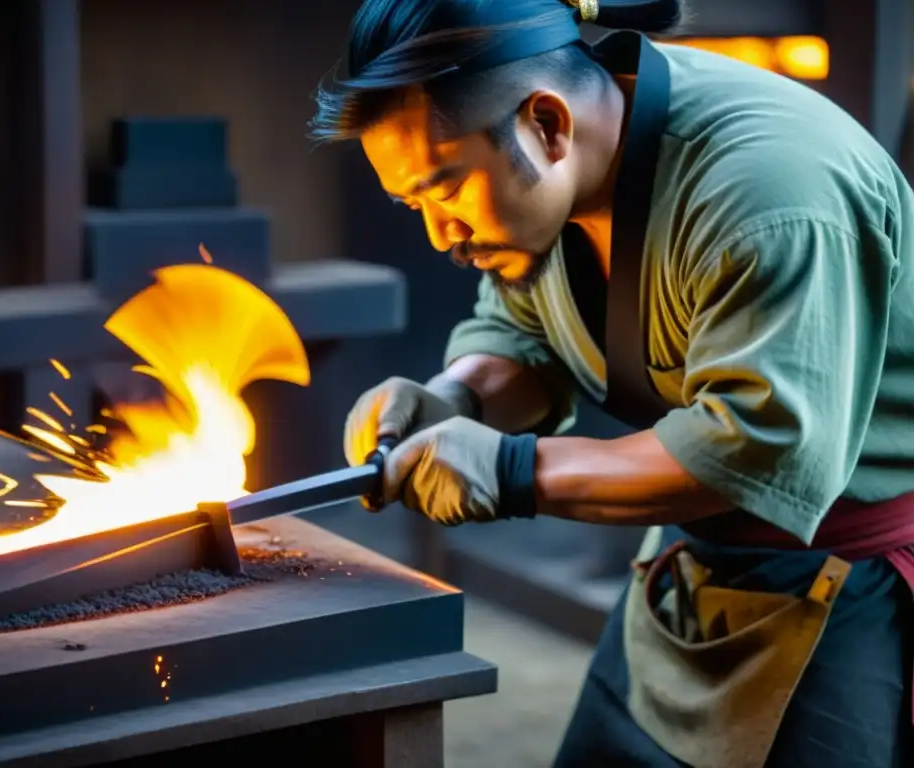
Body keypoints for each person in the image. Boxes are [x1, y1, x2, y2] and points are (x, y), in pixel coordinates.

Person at [310, 0, 914, 765]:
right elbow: (524, 336)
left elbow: (752, 450)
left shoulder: (771, 195)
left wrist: (510, 469)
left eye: (447, 188)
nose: (440, 235)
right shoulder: (555, 177)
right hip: (684, 561)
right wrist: (454, 398)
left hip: (845, 587)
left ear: (547, 124)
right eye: (414, 203)